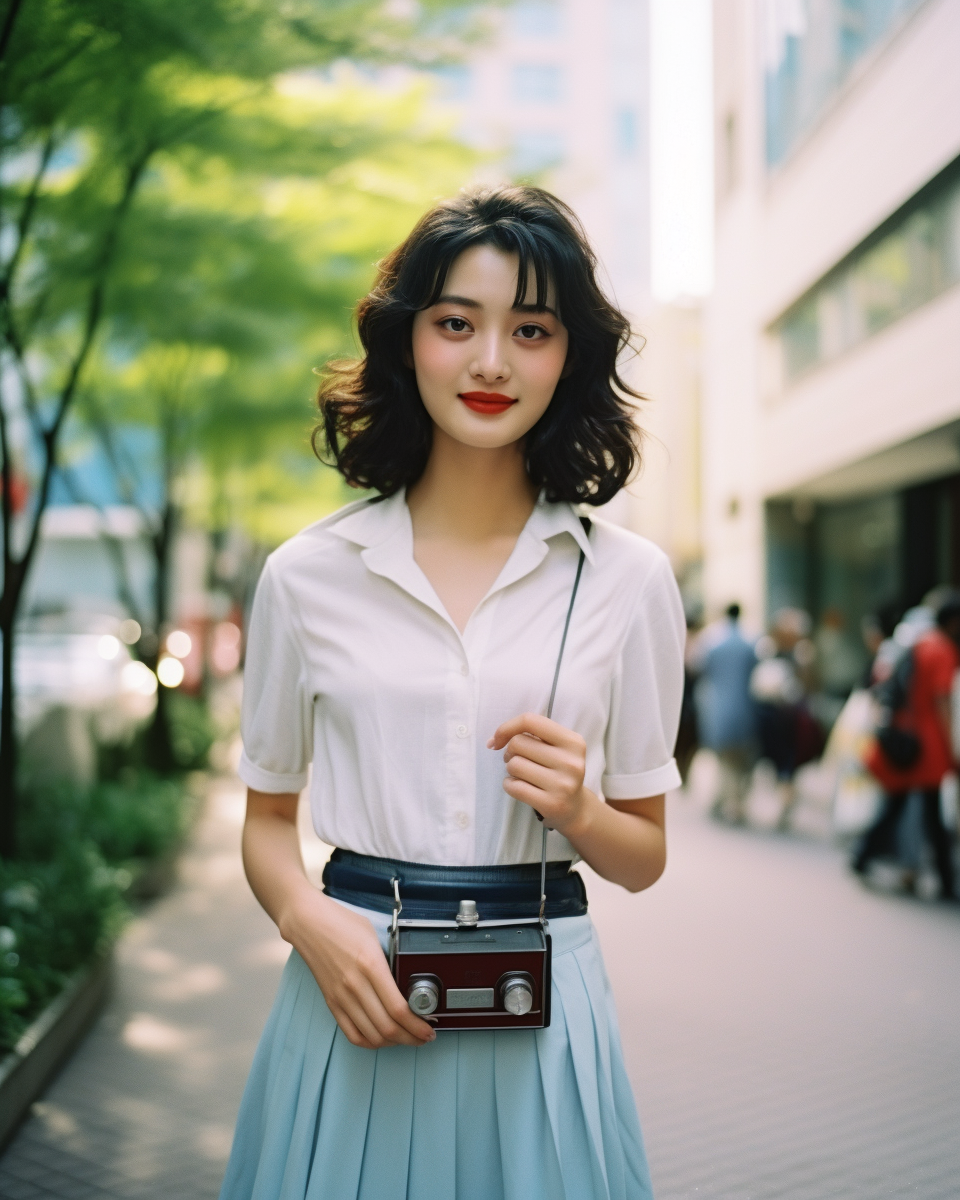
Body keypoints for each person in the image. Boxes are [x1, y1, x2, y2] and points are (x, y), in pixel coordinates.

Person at [220, 186, 685, 1199]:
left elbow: (643, 856)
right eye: (455, 324)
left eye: (531, 329)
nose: (490, 363)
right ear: (407, 341)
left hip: (546, 1020)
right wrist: (306, 917)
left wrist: (584, 810)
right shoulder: (307, 574)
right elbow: (265, 820)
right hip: (354, 1000)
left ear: (571, 356)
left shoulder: (629, 579)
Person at [854, 593, 960, 902]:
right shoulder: (941, 649)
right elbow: (942, 702)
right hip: (926, 741)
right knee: (927, 811)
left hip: (909, 735)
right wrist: (953, 746)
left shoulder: (922, 644)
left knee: (902, 805)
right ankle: (944, 879)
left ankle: (864, 855)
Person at [694, 603, 757, 822]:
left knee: (724, 760)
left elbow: (701, 671)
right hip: (746, 708)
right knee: (741, 760)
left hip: (718, 708)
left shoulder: (712, 642)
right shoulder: (751, 642)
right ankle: (735, 803)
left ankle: (726, 802)